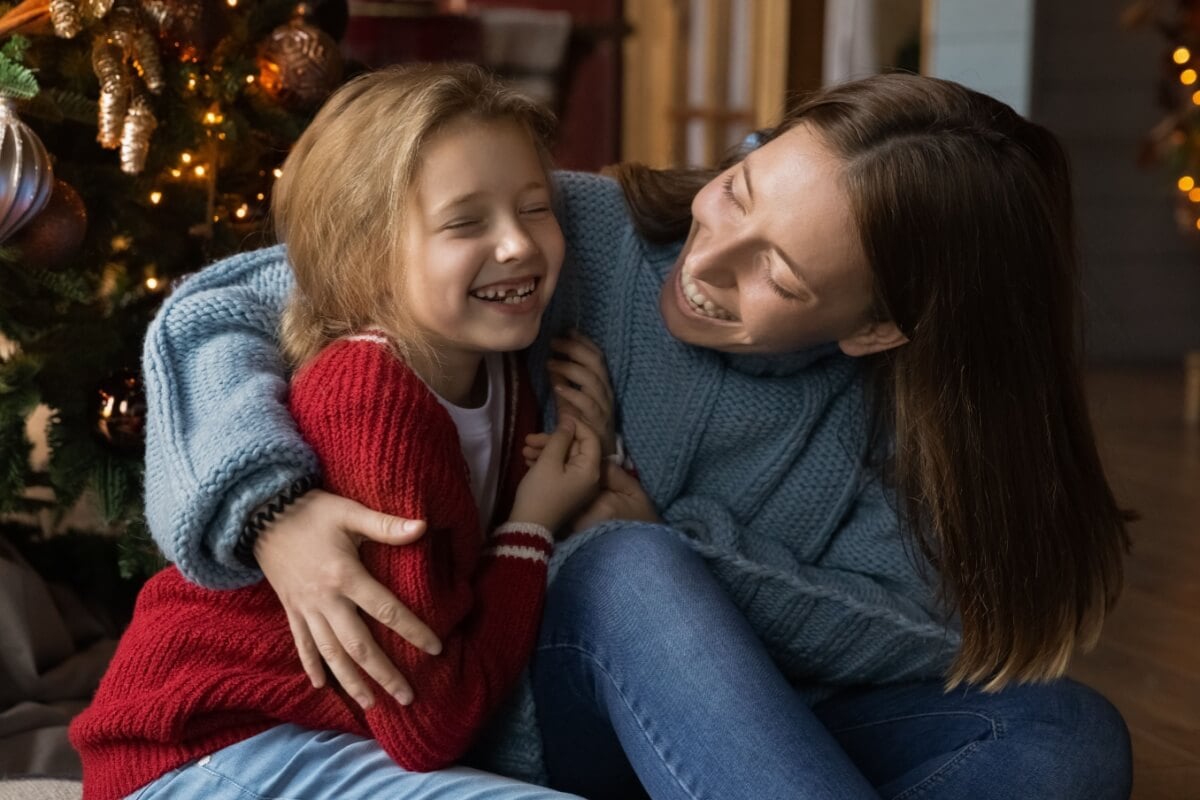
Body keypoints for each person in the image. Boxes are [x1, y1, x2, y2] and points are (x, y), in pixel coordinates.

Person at [131, 72, 1134, 799]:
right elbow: (219, 311)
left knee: (1064, 734)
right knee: (628, 566)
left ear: (877, 327)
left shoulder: (909, 414)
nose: (706, 261)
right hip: (520, 698)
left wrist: (679, 531)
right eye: (738, 189)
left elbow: (931, 630)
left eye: (777, 275)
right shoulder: (557, 229)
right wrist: (273, 507)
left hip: (744, 724)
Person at [68, 64, 606, 800]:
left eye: (536, 207)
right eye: (466, 221)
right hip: (207, 747)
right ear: (365, 254)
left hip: (340, 743)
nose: (517, 244)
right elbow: (432, 726)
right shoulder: (372, 395)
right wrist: (531, 527)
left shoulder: (506, 370)